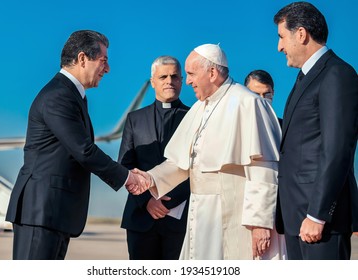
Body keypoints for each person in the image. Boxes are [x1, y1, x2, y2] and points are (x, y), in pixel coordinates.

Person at [133, 44, 286, 260]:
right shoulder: (199, 107)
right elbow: (180, 163)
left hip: (233, 214)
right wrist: (149, 179)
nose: (187, 81)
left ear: (212, 73)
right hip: (201, 213)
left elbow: (264, 167)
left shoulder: (248, 103)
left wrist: (260, 224)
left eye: (191, 74)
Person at [5, 30, 146, 260]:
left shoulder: (72, 96)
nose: (107, 69)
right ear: (82, 59)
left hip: (54, 213)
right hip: (41, 212)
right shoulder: (59, 96)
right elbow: (84, 150)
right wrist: (128, 178)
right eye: (103, 61)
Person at [274, 2, 358, 259]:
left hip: (319, 222)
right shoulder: (304, 79)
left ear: (301, 34)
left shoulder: (337, 74)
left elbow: (337, 150)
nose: (279, 47)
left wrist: (317, 214)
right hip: (295, 219)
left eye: (281, 37)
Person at [118, 56, 190, 259]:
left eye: (175, 76)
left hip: (179, 219)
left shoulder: (194, 118)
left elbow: (197, 168)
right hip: (140, 216)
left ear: (181, 81)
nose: (169, 81)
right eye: (163, 76)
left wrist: (169, 202)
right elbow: (125, 165)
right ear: (153, 82)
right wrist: (147, 200)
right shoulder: (135, 119)